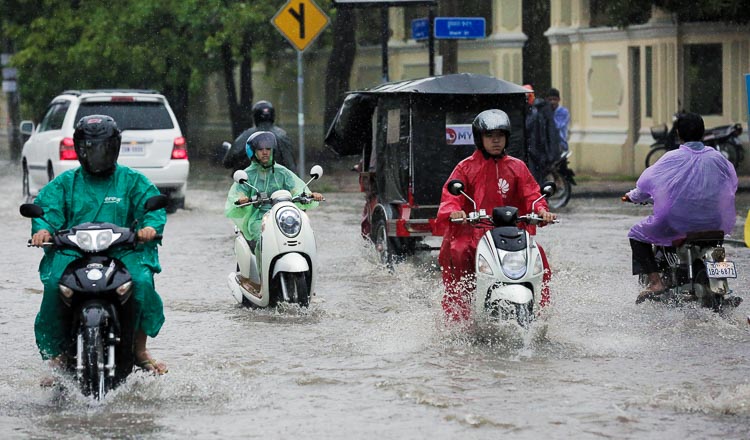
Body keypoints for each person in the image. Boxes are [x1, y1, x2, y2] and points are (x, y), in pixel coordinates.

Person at [30, 115, 168, 380]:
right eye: (90, 148)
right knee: (54, 284)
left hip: (122, 252)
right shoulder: (66, 183)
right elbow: (47, 211)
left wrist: (149, 228)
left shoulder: (132, 180)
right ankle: (58, 355)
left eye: (103, 147)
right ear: (80, 149)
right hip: (73, 252)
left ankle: (139, 350)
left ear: (114, 147)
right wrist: (43, 230)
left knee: (142, 282)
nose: (96, 154)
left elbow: (151, 208)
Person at [436, 109, 557, 321]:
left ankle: (542, 310)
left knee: (538, 254)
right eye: (490, 136)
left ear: (507, 138)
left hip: (509, 232)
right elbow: (450, 197)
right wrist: (454, 211)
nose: (495, 141)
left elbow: (532, 194)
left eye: (500, 136)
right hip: (473, 231)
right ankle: (460, 316)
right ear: (479, 138)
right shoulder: (465, 167)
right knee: (459, 251)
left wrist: (542, 211)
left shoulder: (517, 167)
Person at [622, 112, 737, 303]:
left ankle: (656, 282)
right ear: (702, 133)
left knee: (636, 234)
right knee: (716, 247)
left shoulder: (671, 158)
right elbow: (731, 186)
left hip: (678, 224)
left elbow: (644, 185)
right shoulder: (719, 159)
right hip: (715, 223)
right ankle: (722, 288)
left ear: (678, 133)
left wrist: (630, 196)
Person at [225, 131, 323, 291]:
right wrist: (243, 198)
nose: (265, 152)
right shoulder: (247, 175)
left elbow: (297, 189)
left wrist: (311, 195)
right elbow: (239, 192)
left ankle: (308, 282)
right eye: (261, 149)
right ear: (253, 152)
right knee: (261, 239)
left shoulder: (282, 172)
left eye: (268, 149)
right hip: (259, 219)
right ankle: (262, 281)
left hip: (283, 217)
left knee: (305, 234)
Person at [222, 100, 297, 173]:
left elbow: (228, 162)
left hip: (251, 183)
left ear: (255, 116)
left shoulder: (246, 136)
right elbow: (291, 166)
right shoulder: (282, 135)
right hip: (277, 182)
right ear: (273, 115)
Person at [526, 96, 562, 185]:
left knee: (537, 181)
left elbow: (541, 137)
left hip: (538, 154)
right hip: (540, 154)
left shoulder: (536, 113)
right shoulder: (542, 112)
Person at [547, 88, 570, 152]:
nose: (552, 102)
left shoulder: (563, 112)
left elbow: (557, 126)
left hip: (561, 144)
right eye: (550, 100)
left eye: (554, 99)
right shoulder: (546, 112)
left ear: (559, 100)